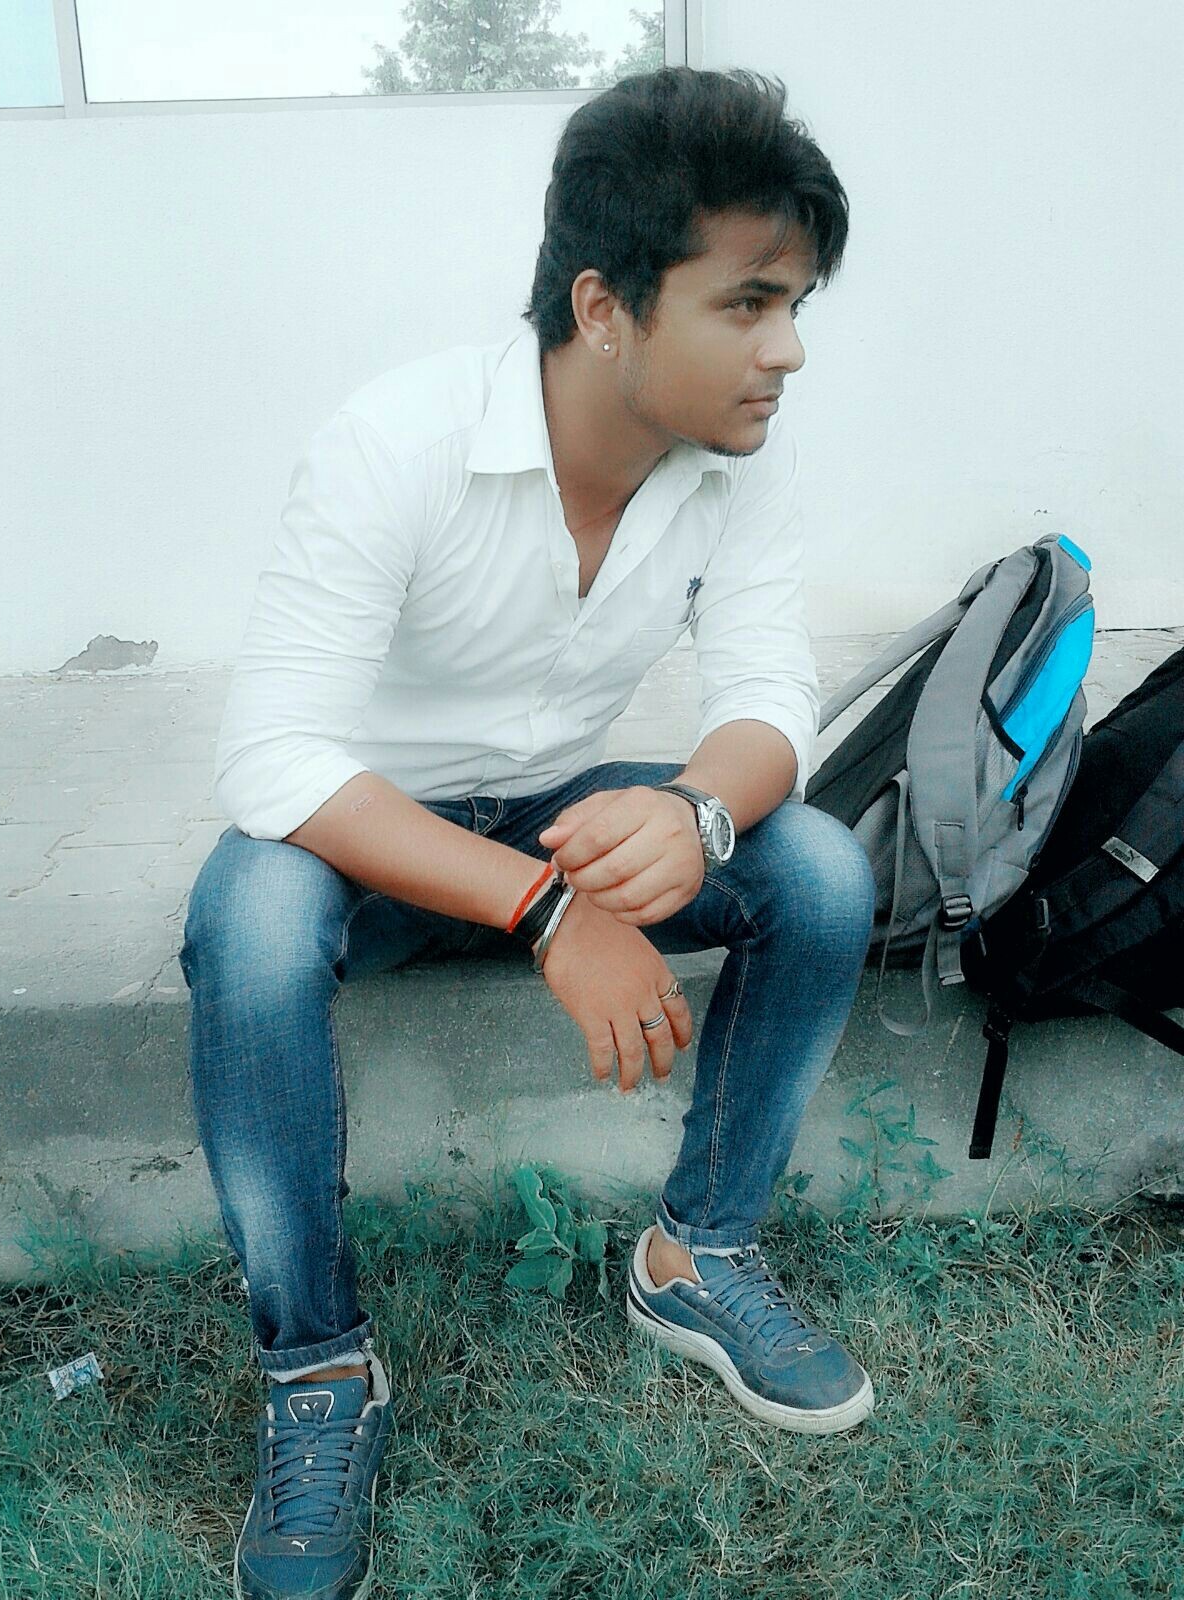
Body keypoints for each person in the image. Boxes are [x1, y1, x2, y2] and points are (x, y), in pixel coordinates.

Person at [179, 63, 876, 1600]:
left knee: (820, 869)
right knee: (250, 922)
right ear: (604, 307)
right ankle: (318, 1371)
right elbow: (276, 757)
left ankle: (698, 1256)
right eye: (748, 304)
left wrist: (695, 812)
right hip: (369, 835)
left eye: (794, 305)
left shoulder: (735, 466)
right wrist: (553, 914)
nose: (787, 350)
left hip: (562, 804)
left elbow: (773, 698)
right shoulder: (397, 440)